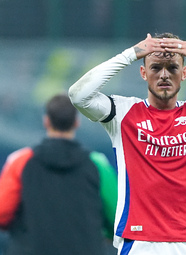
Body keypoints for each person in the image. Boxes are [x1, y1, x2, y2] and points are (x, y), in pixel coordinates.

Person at [68, 32, 186, 255]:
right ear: (143, 72)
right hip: (138, 243)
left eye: (173, 68)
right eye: (156, 67)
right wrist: (131, 54)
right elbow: (79, 95)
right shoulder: (123, 113)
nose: (164, 75)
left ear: (185, 72)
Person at [0, 94, 118, 255]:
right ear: (76, 122)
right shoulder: (98, 164)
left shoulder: (20, 161)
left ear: (46, 121)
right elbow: (117, 220)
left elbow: (2, 213)